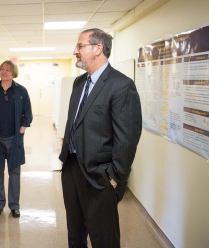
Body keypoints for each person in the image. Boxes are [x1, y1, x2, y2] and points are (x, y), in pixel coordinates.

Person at [59, 28, 142, 248]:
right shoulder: (79, 84)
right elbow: (74, 123)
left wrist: (114, 179)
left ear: (98, 49)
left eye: (80, 46)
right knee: (75, 236)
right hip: (72, 169)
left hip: (100, 177)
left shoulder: (121, 85)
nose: (76, 51)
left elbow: (127, 139)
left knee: (103, 239)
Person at [0, 60, 33, 218]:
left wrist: (21, 132)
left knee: (14, 172)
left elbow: (27, 114)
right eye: (2, 69)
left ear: (14, 73)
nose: (4, 72)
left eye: (8, 70)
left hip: (14, 138)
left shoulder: (21, 91)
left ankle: (14, 205)